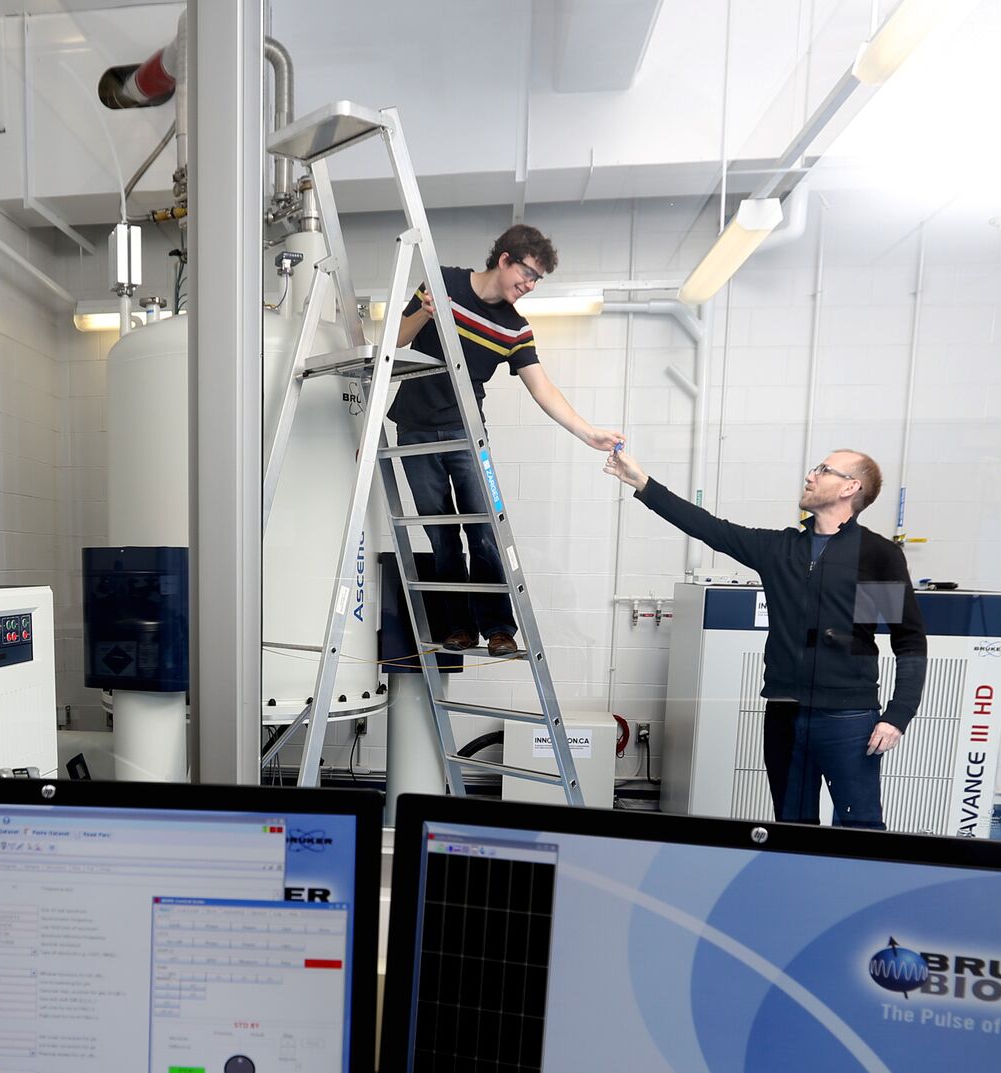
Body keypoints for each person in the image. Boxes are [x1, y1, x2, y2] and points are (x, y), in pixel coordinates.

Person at [603, 445, 926, 830]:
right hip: (784, 715)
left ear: (850, 487)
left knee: (861, 831)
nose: (810, 475)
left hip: (847, 718)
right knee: (791, 829)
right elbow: (711, 528)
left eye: (823, 470)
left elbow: (907, 640)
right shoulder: (782, 550)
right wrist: (642, 483)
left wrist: (898, 716)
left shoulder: (875, 555)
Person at [386, 224, 621, 657]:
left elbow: (542, 388)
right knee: (441, 534)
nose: (530, 286)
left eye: (537, 280)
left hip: (466, 433)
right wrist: (424, 313)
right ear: (505, 259)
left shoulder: (515, 328)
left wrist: (587, 431)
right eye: (528, 274)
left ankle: (497, 627)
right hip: (415, 430)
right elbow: (392, 344)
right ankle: (459, 628)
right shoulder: (443, 282)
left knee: (484, 529)